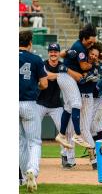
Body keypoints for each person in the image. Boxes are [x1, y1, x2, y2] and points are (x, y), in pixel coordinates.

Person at [36, 43, 83, 169]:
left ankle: (67, 157)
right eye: (51, 51)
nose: (53, 53)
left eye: (55, 51)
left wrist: (59, 74)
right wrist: (61, 75)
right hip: (40, 103)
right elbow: (46, 77)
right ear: (48, 53)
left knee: (67, 131)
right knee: (33, 129)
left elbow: (76, 77)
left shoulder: (63, 66)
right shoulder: (42, 64)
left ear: (58, 53)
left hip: (56, 104)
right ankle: (30, 159)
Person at [59, 23, 99, 169]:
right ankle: (68, 158)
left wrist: (94, 63)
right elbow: (72, 59)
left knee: (83, 129)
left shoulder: (97, 65)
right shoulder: (80, 49)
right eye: (91, 53)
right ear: (84, 38)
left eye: (95, 53)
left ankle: (95, 160)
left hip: (87, 96)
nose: (92, 55)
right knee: (71, 129)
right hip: (76, 93)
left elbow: (84, 70)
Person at [19, 30, 48, 192]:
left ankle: (24, 177)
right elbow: (44, 84)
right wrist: (32, 86)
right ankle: (33, 171)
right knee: (34, 142)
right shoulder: (36, 59)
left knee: (20, 143)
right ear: (30, 43)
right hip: (29, 104)